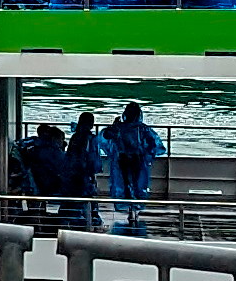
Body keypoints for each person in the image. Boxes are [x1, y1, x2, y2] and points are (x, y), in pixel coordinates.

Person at [107, 99, 164, 234]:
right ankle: (134, 208)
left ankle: (130, 207)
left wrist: (114, 127)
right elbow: (153, 143)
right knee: (135, 184)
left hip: (123, 159)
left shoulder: (121, 127)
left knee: (127, 183)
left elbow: (106, 135)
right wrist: (146, 152)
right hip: (137, 159)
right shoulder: (142, 128)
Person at [62, 110, 111, 229]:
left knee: (72, 198)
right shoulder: (89, 138)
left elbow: (71, 156)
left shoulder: (75, 136)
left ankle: (71, 220)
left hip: (73, 173)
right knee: (87, 197)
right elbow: (90, 157)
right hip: (83, 173)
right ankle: (89, 221)